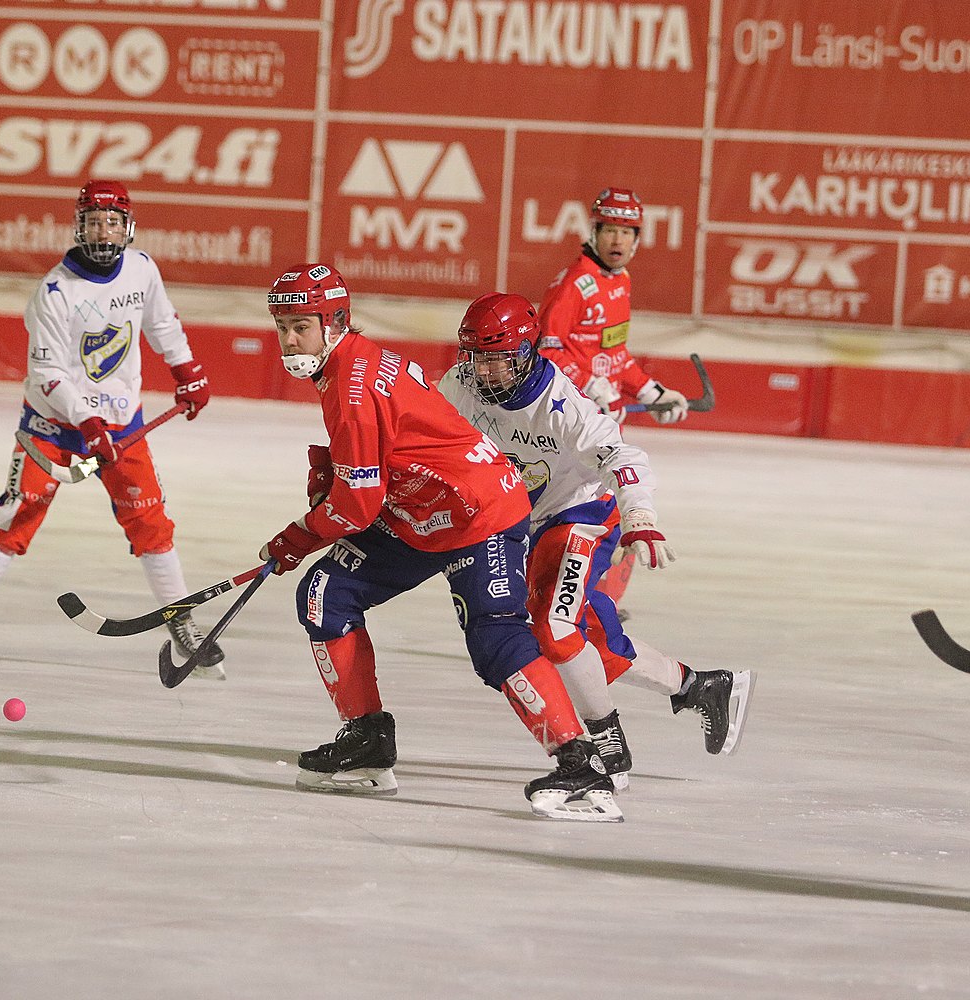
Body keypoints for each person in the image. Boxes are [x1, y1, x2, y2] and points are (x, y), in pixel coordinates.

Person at [260, 263, 621, 822]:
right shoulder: (350, 362)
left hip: (479, 512)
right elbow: (385, 458)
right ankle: (367, 744)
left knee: (495, 637)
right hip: (421, 509)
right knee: (326, 594)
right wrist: (335, 472)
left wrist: (297, 536)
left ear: (334, 323)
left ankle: (580, 767)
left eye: (300, 326)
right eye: (281, 325)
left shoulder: (350, 387)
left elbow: (356, 505)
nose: (288, 338)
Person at [440, 292, 753, 788]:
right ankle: (701, 687)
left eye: (497, 359)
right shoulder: (461, 384)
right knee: (583, 640)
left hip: (580, 514)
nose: (484, 372)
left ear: (524, 353)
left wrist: (640, 515)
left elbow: (623, 456)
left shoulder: (561, 403)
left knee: (555, 631)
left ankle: (608, 744)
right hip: (525, 522)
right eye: (476, 357)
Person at [0, 180, 223, 680]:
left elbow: (162, 325)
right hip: (54, 424)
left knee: (150, 523)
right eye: (93, 221)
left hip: (120, 424)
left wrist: (186, 369)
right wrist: (86, 423)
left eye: (112, 222)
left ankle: (181, 619)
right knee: (15, 515)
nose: (103, 231)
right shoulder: (55, 291)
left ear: (128, 227)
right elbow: (49, 375)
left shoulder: (142, 270)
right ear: (77, 226)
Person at [539, 186, 689, 614]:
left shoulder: (620, 282)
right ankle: (572, 599)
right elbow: (547, 349)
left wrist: (651, 392)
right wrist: (590, 385)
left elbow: (615, 355)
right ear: (595, 231)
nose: (618, 241)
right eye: (610, 230)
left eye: (628, 232)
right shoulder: (575, 284)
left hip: (604, 422)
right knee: (585, 511)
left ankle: (598, 600)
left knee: (615, 507)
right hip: (571, 425)